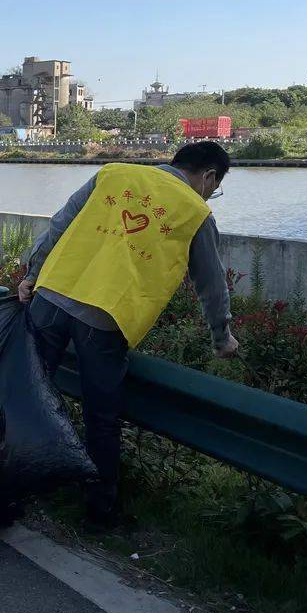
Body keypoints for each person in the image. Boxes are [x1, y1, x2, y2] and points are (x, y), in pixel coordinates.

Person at [18, 141, 239, 528]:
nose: (211, 194)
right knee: (101, 418)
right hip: (103, 318)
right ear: (208, 177)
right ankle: (99, 512)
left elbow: (59, 225)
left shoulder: (113, 173)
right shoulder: (195, 211)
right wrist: (222, 336)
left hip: (50, 298)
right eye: (214, 187)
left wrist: (32, 274)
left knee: (28, 394)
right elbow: (212, 283)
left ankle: (6, 489)